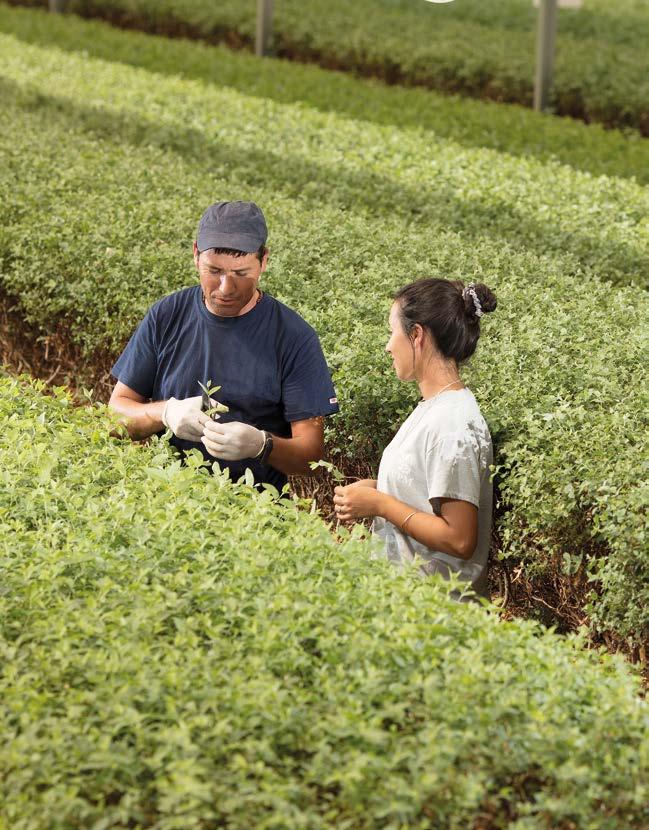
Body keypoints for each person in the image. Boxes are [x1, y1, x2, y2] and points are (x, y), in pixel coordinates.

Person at [109, 200, 339, 490]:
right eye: (214, 270)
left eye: (241, 273)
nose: (226, 288)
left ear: (264, 261)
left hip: (253, 510)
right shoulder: (166, 315)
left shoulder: (294, 338)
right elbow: (114, 415)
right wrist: (165, 412)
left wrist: (262, 445)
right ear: (195, 255)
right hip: (164, 500)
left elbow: (311, 458)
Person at [333, 278, 496, 598]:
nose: (388, 345)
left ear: (417, 335)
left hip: (436, 619)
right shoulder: (434, 407)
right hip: (410, 609)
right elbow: (426, 493)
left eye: (392, 332)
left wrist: (381, 503)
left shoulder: (453, 426)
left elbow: (459, 539)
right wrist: (379, 489)